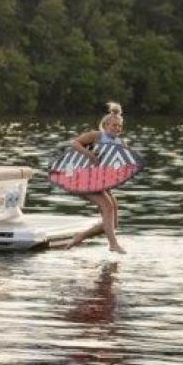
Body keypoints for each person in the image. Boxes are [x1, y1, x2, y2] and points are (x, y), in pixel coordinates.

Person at [65, 102, 127, 254]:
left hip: (101, 182)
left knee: (113, 223)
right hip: (82, 178)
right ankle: (113, 244)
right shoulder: (97, 136)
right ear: (106, 125)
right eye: (114, 125)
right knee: (108, 207)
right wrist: (89, 154)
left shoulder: (120, 143)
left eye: (120, 126)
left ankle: (81, 236)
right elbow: (74, 143)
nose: (117, 128)